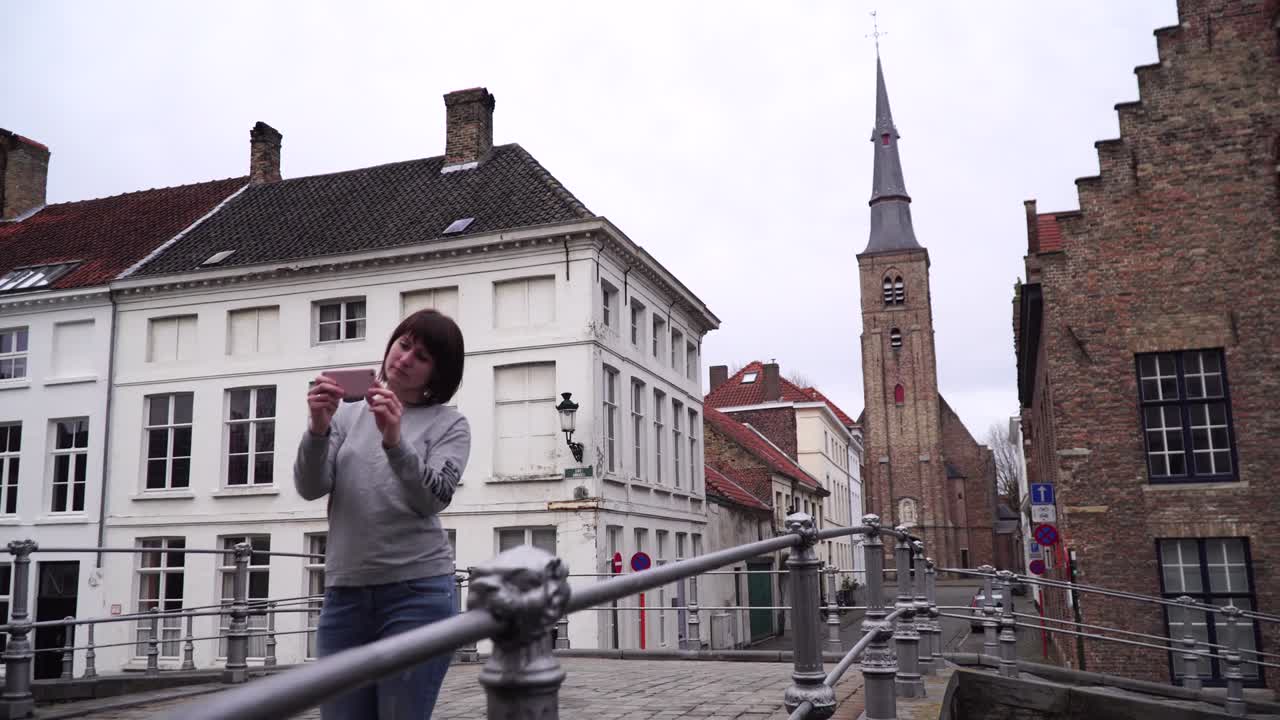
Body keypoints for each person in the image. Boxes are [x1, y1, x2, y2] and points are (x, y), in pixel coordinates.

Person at [295, 309, 469, 720]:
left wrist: (395, 440)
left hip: (418, 594)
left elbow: (434, 498)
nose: (405, 359)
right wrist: (317, 429)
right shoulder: (346, 413)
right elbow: (310, 486)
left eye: (422, 357)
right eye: (403, 345)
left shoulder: (450, 424)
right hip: (345, 594)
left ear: (438, 373)